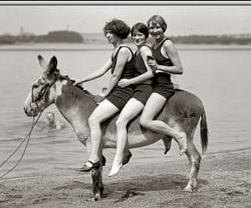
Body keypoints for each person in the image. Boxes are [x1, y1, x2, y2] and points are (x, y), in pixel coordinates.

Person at [74, 19, 135, 172]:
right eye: (106, 32)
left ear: (119, 33)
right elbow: (101, 70)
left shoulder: (123, 50)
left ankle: (94, 159)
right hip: (118, 91)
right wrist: (82, 79)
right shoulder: (116, 51)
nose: (107, 35)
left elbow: (115, 75)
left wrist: (106, 94)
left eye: (110, 32)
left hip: (123, 92)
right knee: (96, 119)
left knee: (93, 119)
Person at [108, 22, 155, 176]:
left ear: (146, 36)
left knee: (121, 122)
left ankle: (118, 159)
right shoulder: (137, 51)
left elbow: (151, 73)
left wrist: (129, 82)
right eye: (134, 35)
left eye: (140, 35)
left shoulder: (145, 50)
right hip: (137, 90)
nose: (136, 37)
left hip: (144, 90)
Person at [139, 15, 188, 156]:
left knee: (145, 121)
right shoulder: (153, 45)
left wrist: (158, 66)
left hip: (162, 87)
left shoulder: (167, 44)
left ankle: (177, 135)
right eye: (151, 28)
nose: (155, 30)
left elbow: (179, 69)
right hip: (152, 86)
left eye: (157, 27)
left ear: (163, 27)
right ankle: (165, 136)